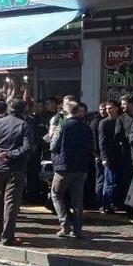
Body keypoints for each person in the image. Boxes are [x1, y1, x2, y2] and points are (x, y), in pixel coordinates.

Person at [0, 98, 34, 246]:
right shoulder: (24, 125)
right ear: (24, 110)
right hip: (15, 168)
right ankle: (7, 236)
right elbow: (27, 148)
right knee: (10, 202)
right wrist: (9, 154)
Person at [51, 102, 94, 239]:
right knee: (77, 200)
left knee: (56, 194)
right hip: (81, 167)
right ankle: (78, 229)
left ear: (67, 111)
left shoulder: (62, 125)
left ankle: (65, 224)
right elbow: (91, 146)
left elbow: (54, 145)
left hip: (63, 167)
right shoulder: (86, 127)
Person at [114, 95, 133, 211]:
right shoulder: (121, 118)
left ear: (131, 103)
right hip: (127, 156)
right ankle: (127, 208)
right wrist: (131, 138)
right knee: (127, 181)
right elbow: (118, 135)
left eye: (124, 104)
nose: (122, 106)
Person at [97, 100, 121, 214]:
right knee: (108, 181)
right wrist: (104, 157)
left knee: (117, 181)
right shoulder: (104, 123)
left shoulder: (120, 120)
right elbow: (102, 141)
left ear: (117, 108)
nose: (108, 111)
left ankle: (115, 203)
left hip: (120, 155)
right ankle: (106, 205)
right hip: (109, 156)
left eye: (111, 108)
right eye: (107, 109)